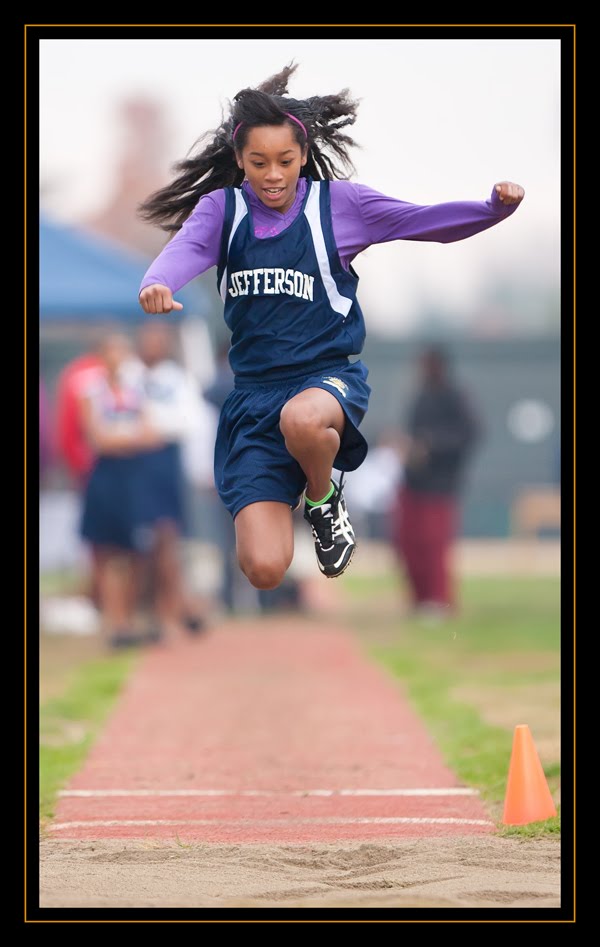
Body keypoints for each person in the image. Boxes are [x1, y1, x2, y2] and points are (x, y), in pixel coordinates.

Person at [137, 64, 524, 592]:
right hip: (252, 401)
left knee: (301, 419)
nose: (273, 175)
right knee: (264, 568)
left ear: (303, 155)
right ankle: (295, 498)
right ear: (239, 160)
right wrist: (157, 284)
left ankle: (322, 500)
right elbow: (179, 254)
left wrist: (491, 208)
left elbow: (422, 221)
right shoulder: (222, 212)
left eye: (285, 161)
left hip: (324, 381)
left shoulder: (339, 206)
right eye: (259, 163)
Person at [78, 332, 165, 648]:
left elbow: (152, 434)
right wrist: (130, 438)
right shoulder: (91, 391)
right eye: (111, 351)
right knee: (108, 553)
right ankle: (115, 621)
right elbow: (98, 439)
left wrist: (121, 439)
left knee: (139, 551)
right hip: (108, 477)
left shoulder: (136, 390)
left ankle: (129, 618)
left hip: (134, 477)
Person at [393, 346, 482, 617]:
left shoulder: (455, 397)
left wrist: (431, 445)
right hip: (413, 482)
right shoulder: (420, 397)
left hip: (440, 485)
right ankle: (420, 599)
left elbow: (469, 434)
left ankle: (438, 600)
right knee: (408, 544)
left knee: (434, 545)